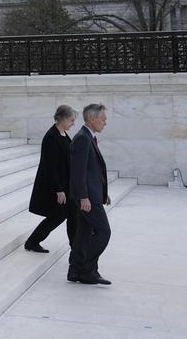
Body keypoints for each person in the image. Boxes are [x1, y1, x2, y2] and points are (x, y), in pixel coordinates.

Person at [68, 103, 112, 285]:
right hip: (87, 198)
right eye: (103, 119)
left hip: (91, 195)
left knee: (83, 234)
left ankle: (75, 270)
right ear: (92, 119)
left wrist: (103, 192)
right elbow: (78, 172)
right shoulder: (83, 139)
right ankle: (88, 270)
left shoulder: (87, 137)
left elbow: (91, 170)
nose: (105, 123)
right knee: (104, 232)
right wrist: (84, 197)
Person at [24, 105, 78, 253]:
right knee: (57, 217)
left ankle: (76, 249)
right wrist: (59, 189)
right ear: (63, 118)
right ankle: (32, 242)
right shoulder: (51, 137)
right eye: (71, 120)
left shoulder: (63, 134)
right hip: (57, 186)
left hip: (67, 185)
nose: (73, 123)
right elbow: (50, 166)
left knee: (72, 216)